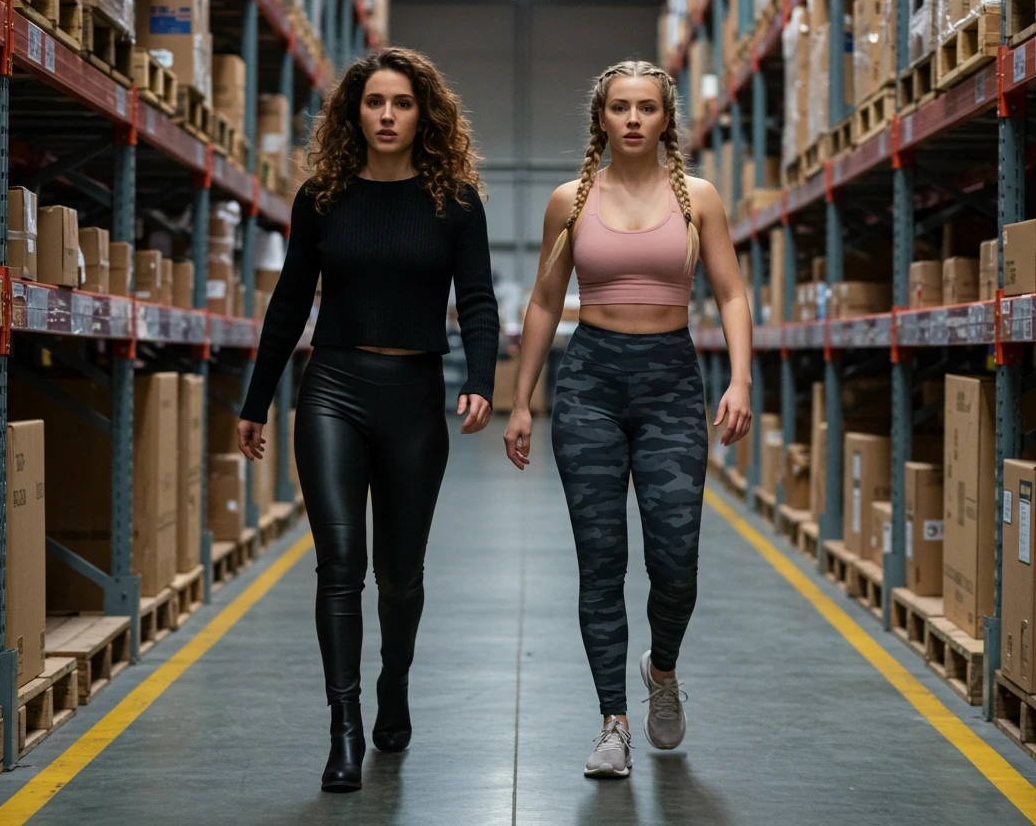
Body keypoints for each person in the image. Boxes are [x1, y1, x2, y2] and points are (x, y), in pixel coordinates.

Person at [236, 47, 499, 793]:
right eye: (374, 102)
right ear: (355, 112)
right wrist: (256, 402)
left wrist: (481, 379)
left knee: (400, 574)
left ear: (425, 115)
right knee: (340, 565)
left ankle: (393, 682)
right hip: (334, 389)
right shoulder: (323, 196)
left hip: (415, 394)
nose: (387, 115)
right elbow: (290, 302)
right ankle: (343, 726)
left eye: (402, 103)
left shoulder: (456, 202)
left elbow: (477, 301)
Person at [502, 61, 753, 779]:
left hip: (673, 383)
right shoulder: (571, 200)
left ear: (666, 118)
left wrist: (738, 379)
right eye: (620, 108)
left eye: (647, 107)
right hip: (591, 385)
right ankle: (611, 721)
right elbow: (546, 303)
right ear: (601, 120)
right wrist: (522, 402)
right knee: (601, 561)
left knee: (676, 565)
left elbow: (732, 295)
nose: (634, 119)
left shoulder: (698, 198)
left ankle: (662, 670)